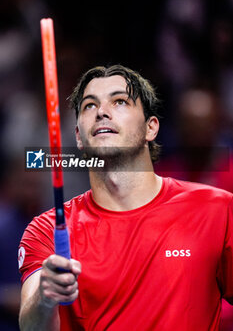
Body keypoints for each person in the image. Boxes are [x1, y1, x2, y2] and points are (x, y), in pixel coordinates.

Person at [18, 65, 233, 331]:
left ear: (150, 128)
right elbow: (30, 326)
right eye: (89, 106)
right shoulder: (46, 230)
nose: (102, 112)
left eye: (120, 101)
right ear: (79, 137)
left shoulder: (218, 210)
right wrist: (45, 297)